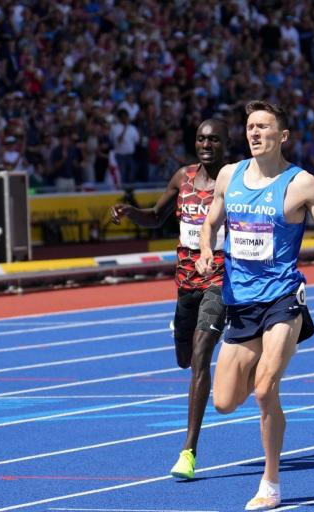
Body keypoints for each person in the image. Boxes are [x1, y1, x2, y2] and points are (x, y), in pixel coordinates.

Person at [195, 100, 314, 511]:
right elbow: (211, 220)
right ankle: (266, 381)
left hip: (283, 299)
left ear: (282, 136)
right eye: (250, 127)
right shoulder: (229, 176)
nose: (255, 132)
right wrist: (206, 250)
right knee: (225, 402)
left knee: (264, 389)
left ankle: (271, 482)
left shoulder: (301, 184)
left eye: (263, 126)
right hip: (240, 303)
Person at [110, 119, 230, 480]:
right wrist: (131, 213)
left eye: (214, 139)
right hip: (185, 279)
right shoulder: (183, 177)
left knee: (200, 356)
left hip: (221, 276)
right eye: (201, 138)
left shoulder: (236, 180)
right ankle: (180, 329)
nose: (206, 144)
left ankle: (188, 451)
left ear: (225, 144)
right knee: (183, 357)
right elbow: (156, 216)